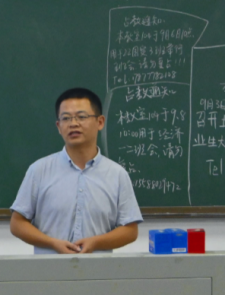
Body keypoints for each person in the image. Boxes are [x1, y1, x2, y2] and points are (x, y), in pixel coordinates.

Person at [10, 88, 142, 254]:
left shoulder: (117, 174)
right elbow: (17, 224)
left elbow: (130, 230)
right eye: (66, 118)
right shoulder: (39, 170)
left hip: (98, 268)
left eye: (82, 117)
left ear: (100, 122)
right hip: (48, 268)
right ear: (59, 126)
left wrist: (96, 242)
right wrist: (52, 243)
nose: (73, 124)